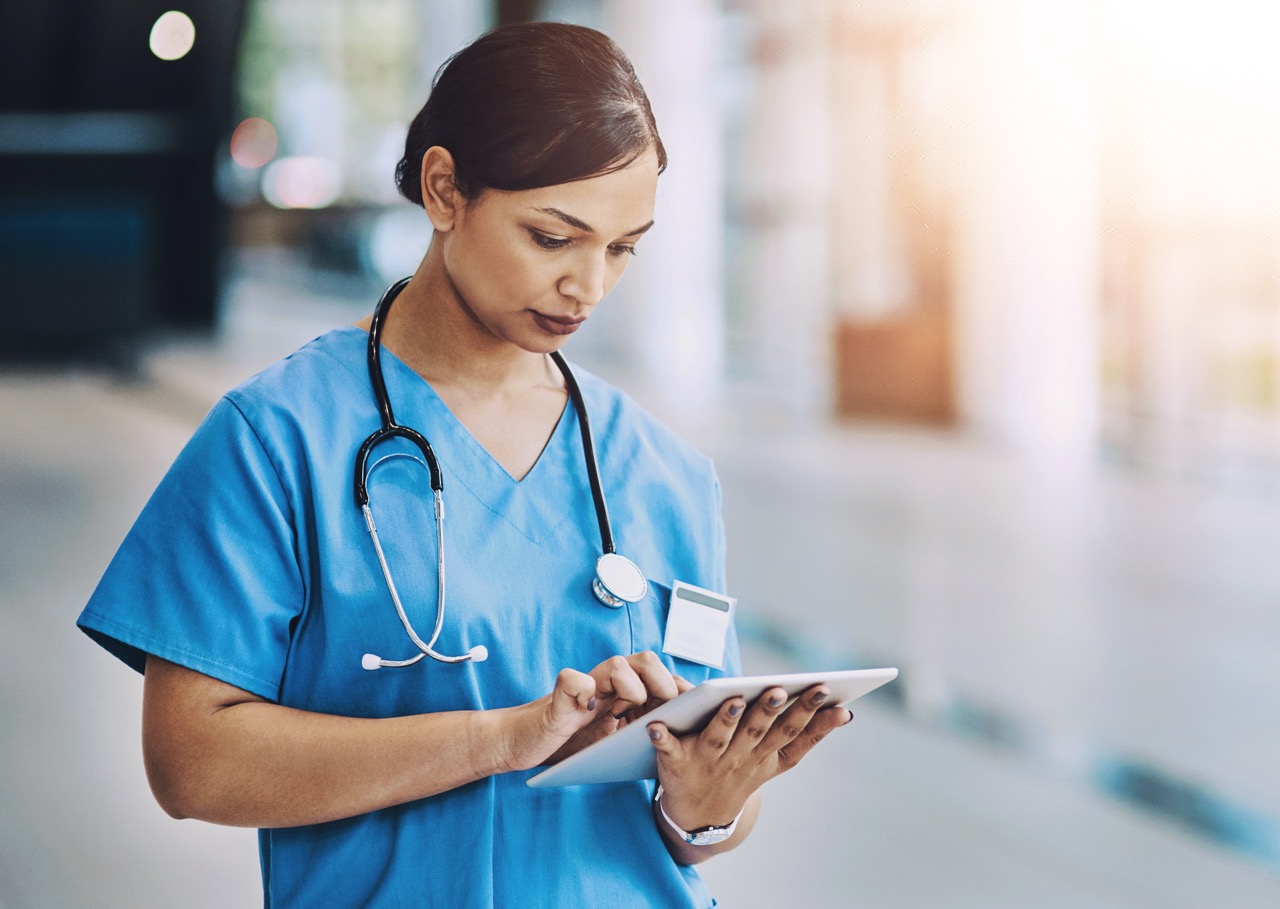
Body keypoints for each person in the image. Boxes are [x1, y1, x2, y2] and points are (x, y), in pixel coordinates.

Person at [77, 21, 852, 908]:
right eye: (553, 237)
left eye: (622, 247)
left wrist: (708, 807)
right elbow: (192, 764)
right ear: (446, 189)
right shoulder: (277, 439)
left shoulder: (665, 474)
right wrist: (501, 739)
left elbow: (702, 809)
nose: (589, 286)